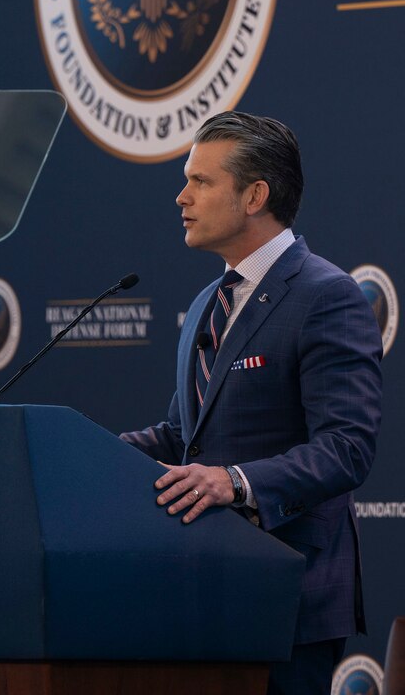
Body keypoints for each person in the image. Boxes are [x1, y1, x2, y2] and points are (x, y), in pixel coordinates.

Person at [119, 111, 383, 694]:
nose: (181, 196)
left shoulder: (325, 296)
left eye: (201, 181)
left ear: (255, 195)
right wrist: (84, 451)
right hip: (204, 588)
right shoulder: (209, 302)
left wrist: (231, 481)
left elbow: (347, 448)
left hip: (288, 594)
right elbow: (180, 433)